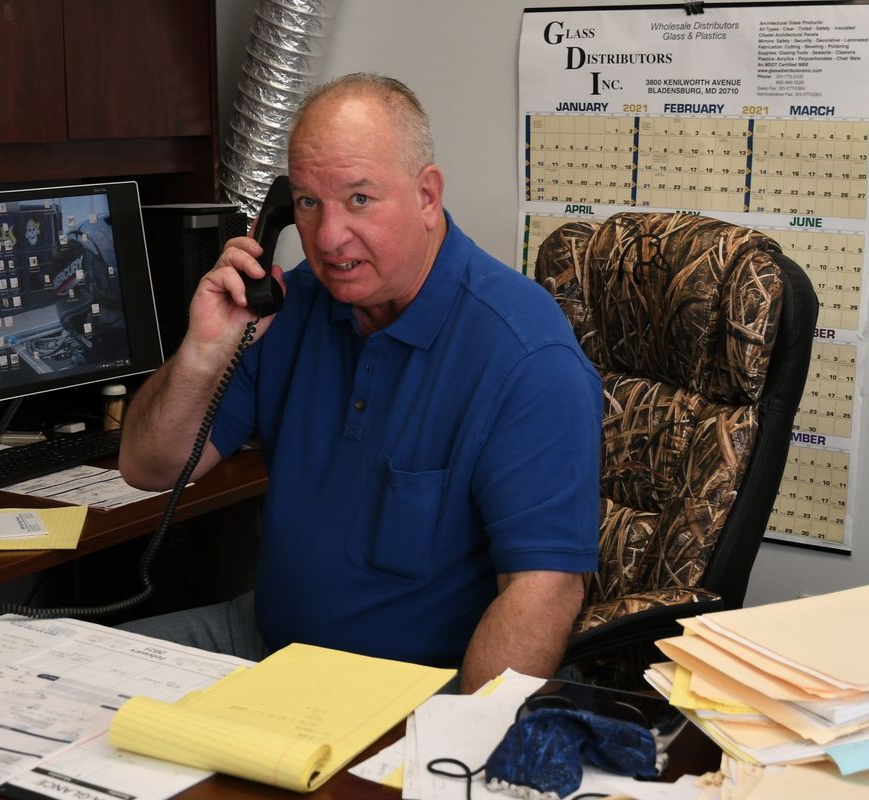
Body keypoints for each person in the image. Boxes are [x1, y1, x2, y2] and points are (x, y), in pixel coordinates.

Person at [119, 73, 600, 693]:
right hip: (263, 642)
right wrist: (204, 350)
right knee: (51, 681)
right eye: (308, 203)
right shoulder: (289, 310)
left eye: (360, 200)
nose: (327, 237)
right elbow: (148, 466)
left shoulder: (525, 356)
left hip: (406, 689)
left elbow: (545, 589)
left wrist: (454, 751)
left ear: (427, 195)